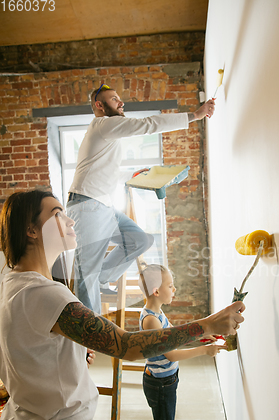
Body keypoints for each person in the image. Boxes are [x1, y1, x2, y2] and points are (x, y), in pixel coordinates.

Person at [0, 190, 244, 420]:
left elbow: (24, 349)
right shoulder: (45, 294)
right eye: (57, 213)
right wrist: (206, 325)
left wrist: (71, 353)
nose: (69, 218)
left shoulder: (11, 281)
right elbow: (127, 346)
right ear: (31, 230)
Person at [67, 84, 216, 314]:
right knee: (86, 276)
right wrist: (195, 115)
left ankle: (102, 276)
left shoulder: (107, 134)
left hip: (103, 206)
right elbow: (148, 125)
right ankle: (88, 343)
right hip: (87, 205)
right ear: (99, 105)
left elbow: (106, 174)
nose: (121, 103)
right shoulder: (103, 125)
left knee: (140, 240)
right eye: (114, 99)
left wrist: (135, 176)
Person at [138, 264, 229, 420]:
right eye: (170, 285)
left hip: (167, 380)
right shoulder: (151, 321)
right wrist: (204, 351)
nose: (174, 289)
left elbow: (173, 339)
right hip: (159, 384)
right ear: (157, 291)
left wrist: (201, 335)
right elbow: (171, 353)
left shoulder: (158, 313)